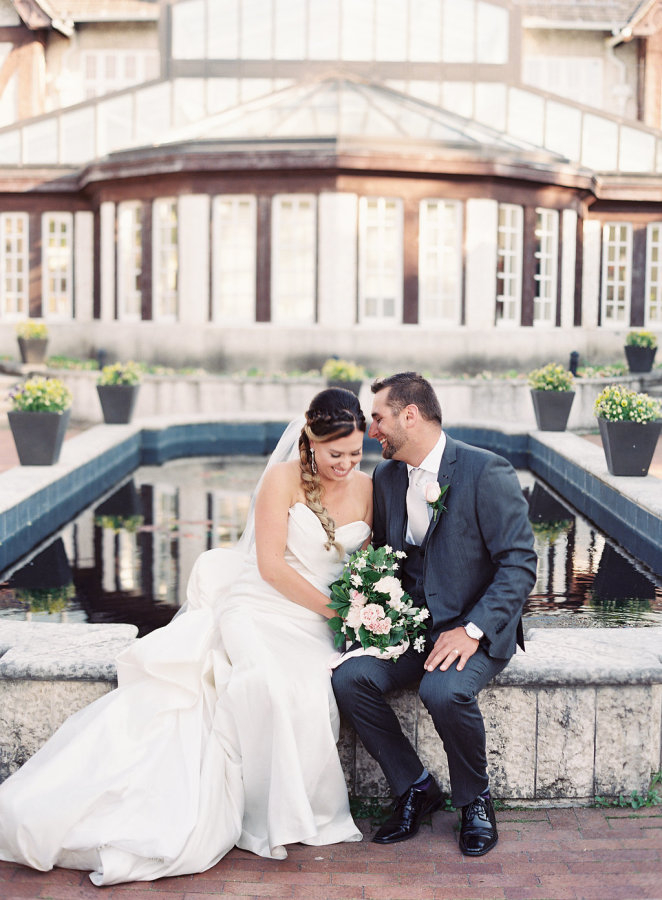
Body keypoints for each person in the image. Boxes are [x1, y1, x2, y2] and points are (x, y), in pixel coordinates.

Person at [0, 387, 372, 886]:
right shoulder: (282, 480)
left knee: (307, 690)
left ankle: (292, 813)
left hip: (313, 626)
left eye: (355, 453)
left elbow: (369, 566)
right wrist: (338, 612)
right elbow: (268, 567)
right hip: (260, 605)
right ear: (310, 438)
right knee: (262, 680)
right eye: (335, 454)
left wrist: (372, 609)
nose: (346, 463)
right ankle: (259, 816)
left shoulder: (370, 488)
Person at [332, 372, 537, 857]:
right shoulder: (385, 477)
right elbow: (385, 555)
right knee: (350, 678)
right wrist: (369, 615)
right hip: (412, 627)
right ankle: (415, 786)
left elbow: (520, 564)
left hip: (475, 625)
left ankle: (475, 800)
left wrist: (472, 629)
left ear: (410, 415)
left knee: (442, 691)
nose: (370, 429)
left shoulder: (486, 471)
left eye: (377, 418)